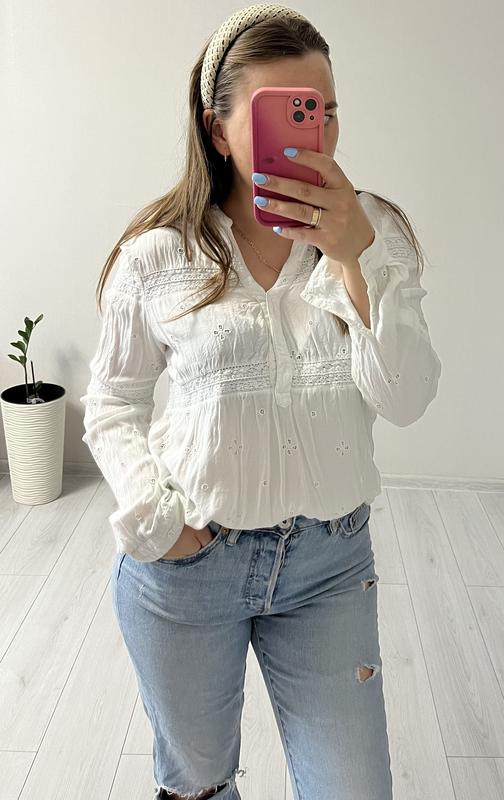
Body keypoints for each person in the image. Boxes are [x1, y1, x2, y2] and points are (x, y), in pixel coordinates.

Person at [80, 4, 442, 799]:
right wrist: (158, 520)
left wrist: (354, 260)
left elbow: (407, 397)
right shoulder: (159, 254)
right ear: (217, 131)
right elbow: (113, 401)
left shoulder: (376, 233)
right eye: (287, 113)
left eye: (324, 111)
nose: (313, 136)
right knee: (199, 783)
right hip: (188, 566)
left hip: (328, 565)